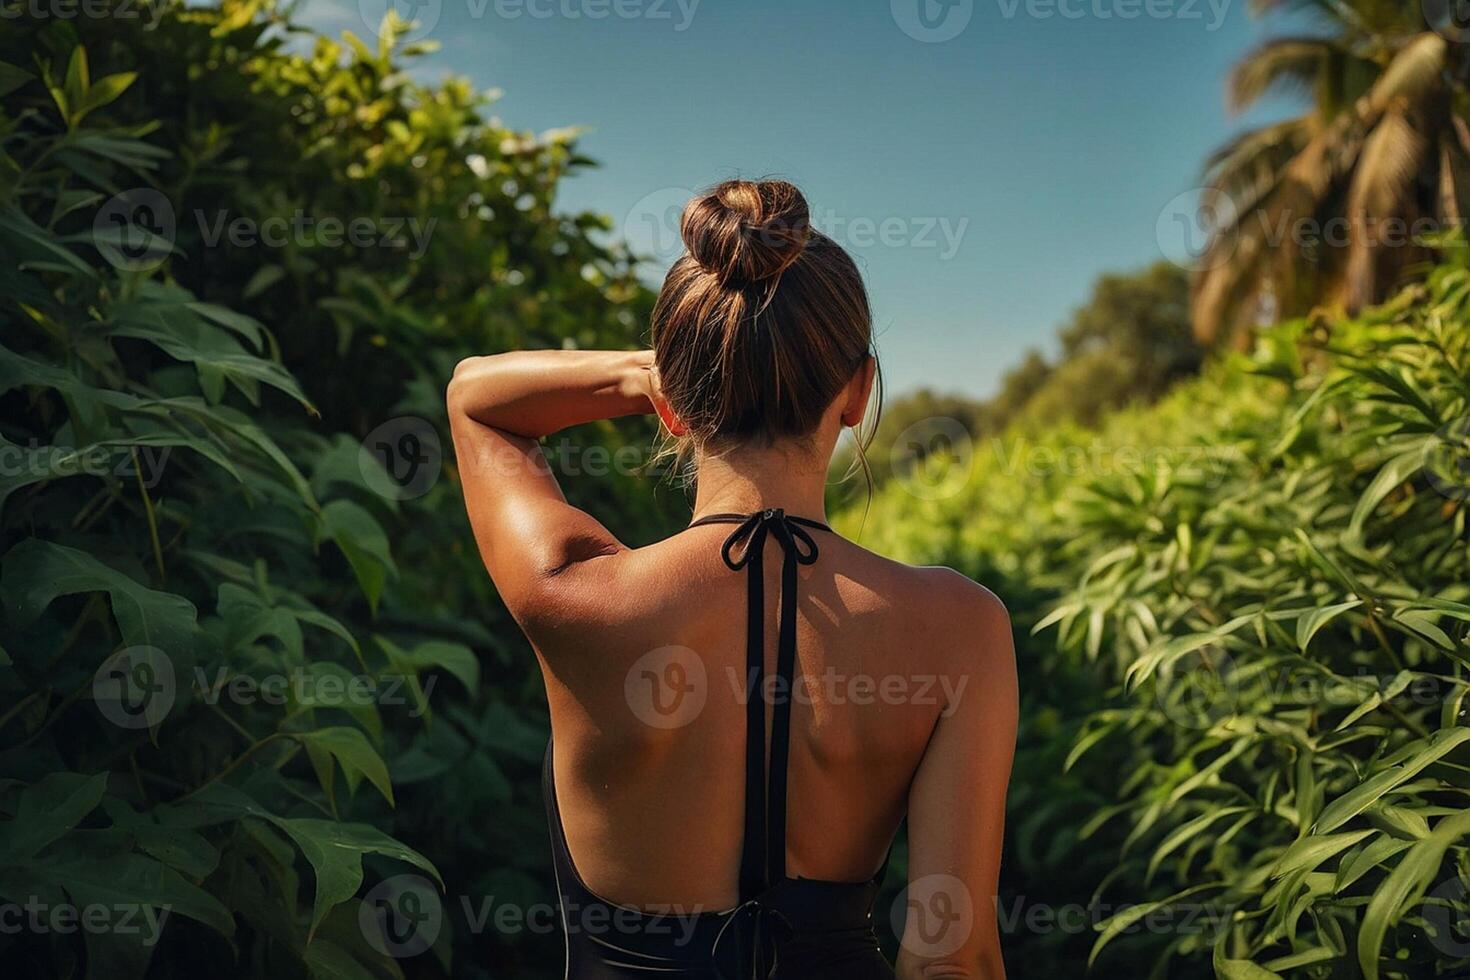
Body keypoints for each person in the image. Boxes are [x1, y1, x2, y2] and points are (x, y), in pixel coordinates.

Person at [448, 179, 1016, 979]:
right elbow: (952, 958)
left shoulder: (572, 591)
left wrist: (646, 374)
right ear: (857, 393)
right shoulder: (962, 628)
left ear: (674, 402)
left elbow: (475, 397)